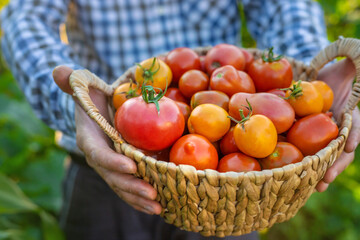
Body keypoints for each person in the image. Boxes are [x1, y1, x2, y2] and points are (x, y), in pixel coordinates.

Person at [1, 0, 359, 239]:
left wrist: (312, 73)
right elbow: (26, 15)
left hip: (230, 190)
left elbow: (282, 4)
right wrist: (80, 104)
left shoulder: (236, 114)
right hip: (106, 159)